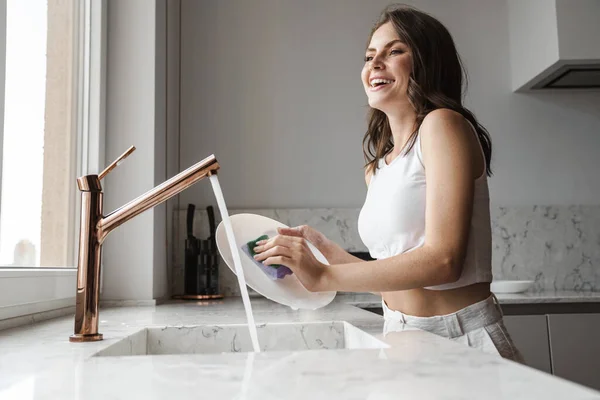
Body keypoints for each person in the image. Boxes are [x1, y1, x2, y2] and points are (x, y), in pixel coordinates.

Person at [252, 4, 523, 362]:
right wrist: (327, 252)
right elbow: (395, 271)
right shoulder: (377, 168)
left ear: (427, 62)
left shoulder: (443, 126)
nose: (375, 64)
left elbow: (444, 261)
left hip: (460, 339)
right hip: (398, 336)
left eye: (394, 51)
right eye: (369, 56)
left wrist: (325, 276)